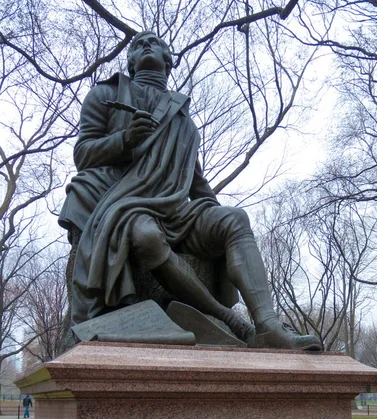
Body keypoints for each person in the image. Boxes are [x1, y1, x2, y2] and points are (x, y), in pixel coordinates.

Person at [59, 31, 321, 351]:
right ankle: (229, 319)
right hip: (123, 202)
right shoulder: (105, 95)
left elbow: (195, 182)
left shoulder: (184, 121)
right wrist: (126, 140)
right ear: (129, 62)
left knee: (234, 219)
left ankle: (268, 326)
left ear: (168, 60)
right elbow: (82, 154)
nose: (145, 44)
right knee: (145, 235)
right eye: (137, 44)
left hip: (173, 208)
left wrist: (212, 212)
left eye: (154, 42)